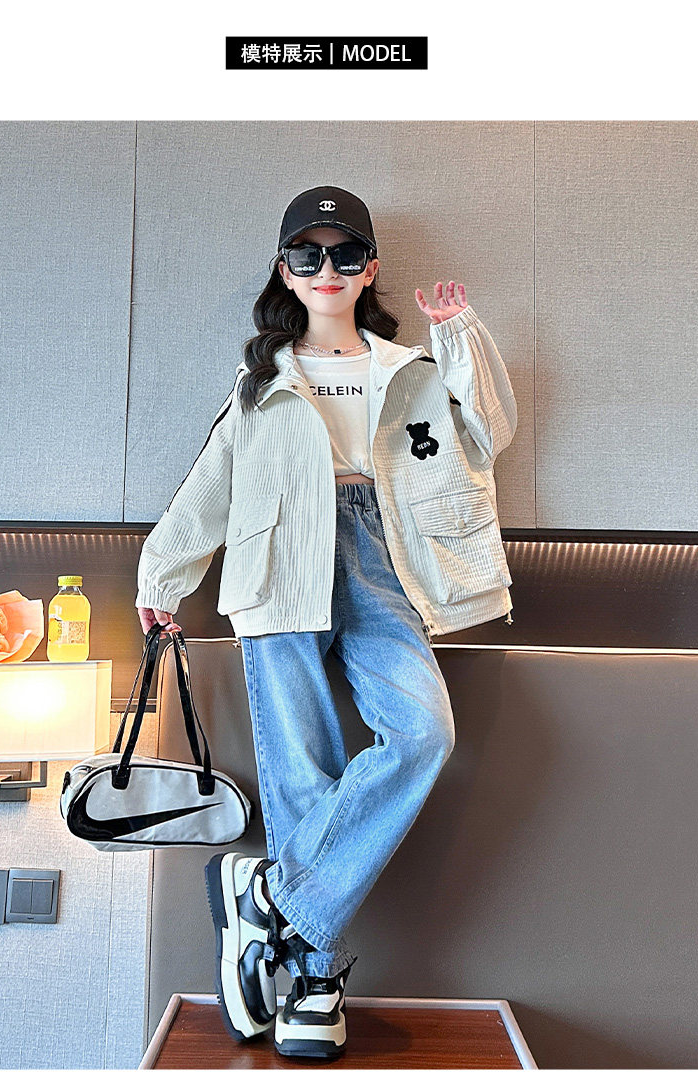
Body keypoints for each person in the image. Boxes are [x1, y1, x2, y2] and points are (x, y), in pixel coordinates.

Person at [136, 185, 517, 1060]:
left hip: (384, 557)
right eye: (307, 255)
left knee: (422, 733)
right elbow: (213, 481)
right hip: (280, 561)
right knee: (301, 771)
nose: (327, 269)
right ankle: (312, 977)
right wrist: (164, 574)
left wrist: (461, 335)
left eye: (345, 253)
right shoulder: (262, 382)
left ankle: (273, 895)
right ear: (286, 271)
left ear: (370, 268)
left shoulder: (413, 366)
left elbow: (490, 431)